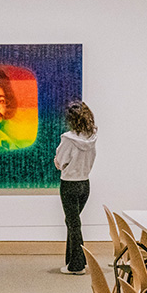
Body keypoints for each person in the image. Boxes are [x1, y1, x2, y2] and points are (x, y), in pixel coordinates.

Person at [53, 100, 97, 275]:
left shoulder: (68, 139)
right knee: (72, 222)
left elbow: (59, 161)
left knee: (73, 224)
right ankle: (76, 259)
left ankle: (76, 265)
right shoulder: (92, 138)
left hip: (69, 184)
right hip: (85, 184)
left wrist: (59, 163)